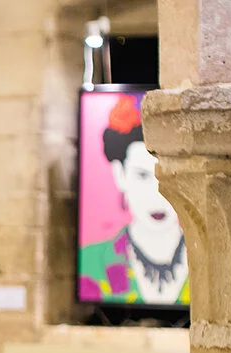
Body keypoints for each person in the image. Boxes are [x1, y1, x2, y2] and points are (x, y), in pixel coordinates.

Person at [78, 93, 190, 305]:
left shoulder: (211, 262)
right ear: (120, 174)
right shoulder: (92, 262)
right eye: (142, 176)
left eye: (168, 176)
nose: (158, 194)